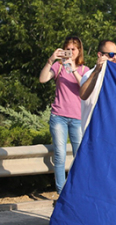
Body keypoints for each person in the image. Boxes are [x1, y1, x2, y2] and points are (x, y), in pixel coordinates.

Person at [39, 35, 90, 194]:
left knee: (79, 156)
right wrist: (51, 60)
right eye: (67, 49)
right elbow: (42, 79)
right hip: (59, 116)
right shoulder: (58, 66)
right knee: (60, 155)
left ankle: (77, 189)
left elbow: (85, 86)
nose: (70, 52)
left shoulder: (85, 70)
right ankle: (61, 192)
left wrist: (73, 69)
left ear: (79, 51)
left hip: (77, 118)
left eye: (73, 49)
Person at [79, 39, 116, 134]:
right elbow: (83, 94)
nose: (115, 58)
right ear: (100, 55)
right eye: (111, 54)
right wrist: (97, 70)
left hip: (110, 132)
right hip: (92, 132)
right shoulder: (89, 75)